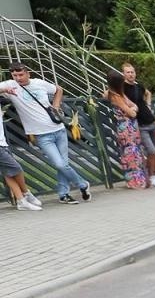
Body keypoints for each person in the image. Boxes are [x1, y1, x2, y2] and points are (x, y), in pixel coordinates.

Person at [1, 63, 93, 204]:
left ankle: (63, 194)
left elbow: (58, 90)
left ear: (28, 73)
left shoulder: (39, 83)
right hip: (41, 135)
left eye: (21, 74)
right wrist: (4, 90)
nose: (18, 78)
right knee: (60, 164)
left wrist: (56, 106)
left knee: (64, 164)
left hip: (58, 129)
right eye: (15, 75)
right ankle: (83, 184)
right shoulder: (10, 85)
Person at [102, 70, 147, 190]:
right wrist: (133, 109)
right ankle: (134, 181)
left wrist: (133, 109)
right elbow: (131, 112)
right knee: (130, 153)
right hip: (126, 127)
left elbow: (133, 106)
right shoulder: (115, 96)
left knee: (135, 151)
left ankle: (138, 180)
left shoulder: (119, 94)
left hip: (131, 126)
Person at [121, 62, 155, 186]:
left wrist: (149, 105)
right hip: (140, 124)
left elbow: (148, 93)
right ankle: (151, 176)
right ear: (123, 74)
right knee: (151, 151)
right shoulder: (122, 87)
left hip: (150, 120)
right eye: (128, 72)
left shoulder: (138, 85)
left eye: (132, 72)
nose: (130, 74)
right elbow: (110, 94)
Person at [0, 122, 43, 210]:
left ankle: (21, 201)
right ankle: (26, 193)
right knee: (16, 169)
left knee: (8, 174)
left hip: (3, 143)